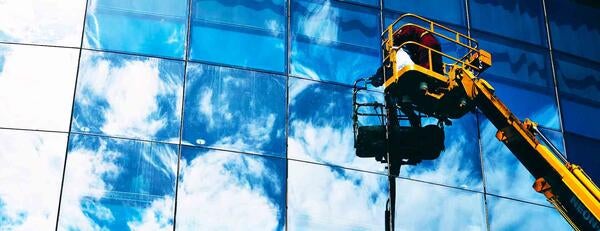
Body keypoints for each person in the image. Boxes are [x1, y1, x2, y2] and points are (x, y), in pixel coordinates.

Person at [370, 24, 443, 87]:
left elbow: (390, 65)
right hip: (432, 44)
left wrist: (379, 76)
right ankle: (437, 81)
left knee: (425, 67)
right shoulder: (407, 47)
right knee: (434, 65)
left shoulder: (398, 47)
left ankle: (427, 82)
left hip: (426, 43)